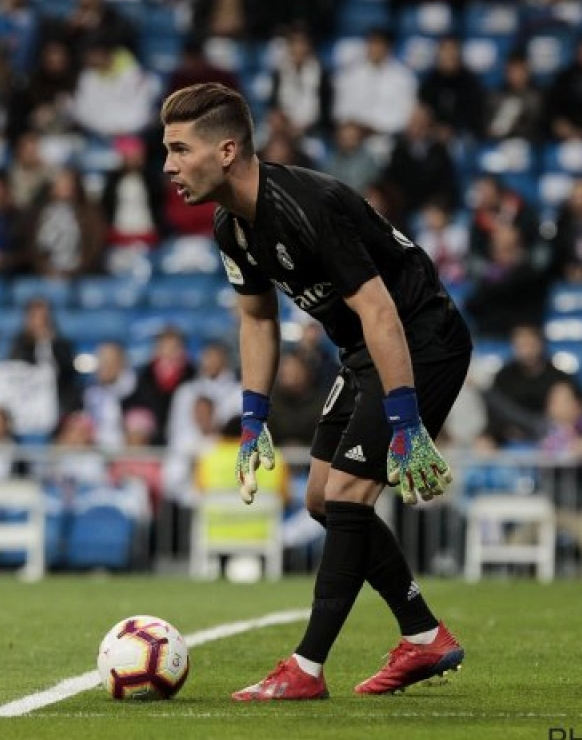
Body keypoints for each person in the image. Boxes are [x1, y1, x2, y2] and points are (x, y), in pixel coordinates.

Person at [161, 83, 473, 701]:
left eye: (178, 149)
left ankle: (306, 666)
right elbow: (257, 320)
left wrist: (407, 423)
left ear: (226, 150)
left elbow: (381, 311)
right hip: (363, 350)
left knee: (352, 496)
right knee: (322, 501)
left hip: (419, 339)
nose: (168, 166)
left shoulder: (308, 205)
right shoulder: (231, 227)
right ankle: (422, 635)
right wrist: (253, 419)